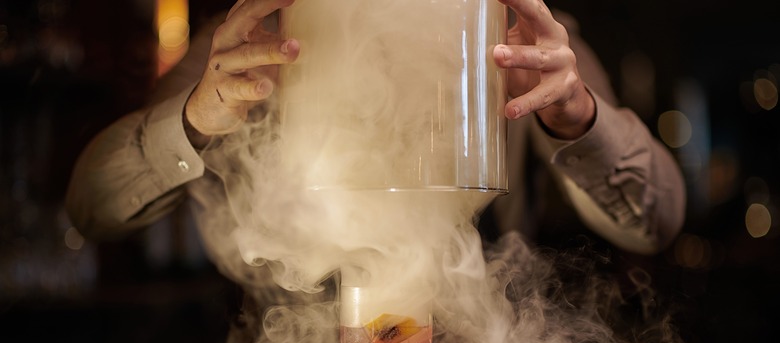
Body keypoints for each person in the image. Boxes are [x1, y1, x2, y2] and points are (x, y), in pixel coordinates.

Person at [66, 0, 686, 289]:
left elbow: (657, 222)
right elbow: (88, 208)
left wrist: (577, 117)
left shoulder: (523, 35)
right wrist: (194, 119)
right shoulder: (256, 36)